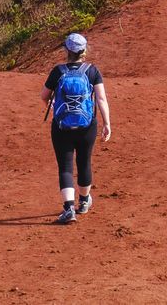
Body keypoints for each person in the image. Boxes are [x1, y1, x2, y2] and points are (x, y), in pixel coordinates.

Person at [42, 32, 112, 224]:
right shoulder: (92, 71)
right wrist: (107, 123)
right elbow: (101, 99)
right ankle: (83, 202)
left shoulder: (58, 71)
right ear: (84, 51)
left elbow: (44, 96)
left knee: (65, 167)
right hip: (87, 126)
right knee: (84, 162)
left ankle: (68, 209)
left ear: (66, 50)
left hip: (61, 126)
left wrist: (54, 102)